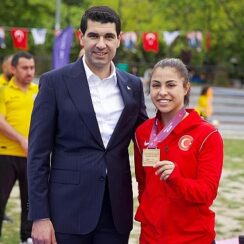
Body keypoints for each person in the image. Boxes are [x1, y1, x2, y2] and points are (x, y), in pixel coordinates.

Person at [27, 6, 147, 244]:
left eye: (108, 36)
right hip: (67, 210)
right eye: (94, 35)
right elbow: (38, 154)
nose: (101, 44)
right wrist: (40, 216)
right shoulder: (54, 83)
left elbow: (148, 137)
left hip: (116, 211)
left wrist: (188, 125)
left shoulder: (133, 85)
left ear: (119, 40)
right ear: (81, 38)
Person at [134, 58, 223, 244]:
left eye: (171, 85)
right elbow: (143, 184)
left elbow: (207, 193)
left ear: (185, 88)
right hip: (152, 237)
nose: (162, 92)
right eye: (156, 85)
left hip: (193, 237)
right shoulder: (142, 133)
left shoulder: (208, 135)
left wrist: (176, 179)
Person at [0, 51, 37, 244]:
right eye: (25, 68)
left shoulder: (38, 91)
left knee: (30, 203)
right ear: (13, 69)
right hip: (5, 154)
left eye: (32, 68)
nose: (29, 72)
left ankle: (27, 239)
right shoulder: (3, 91)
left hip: (32, 157)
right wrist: (22, 140)